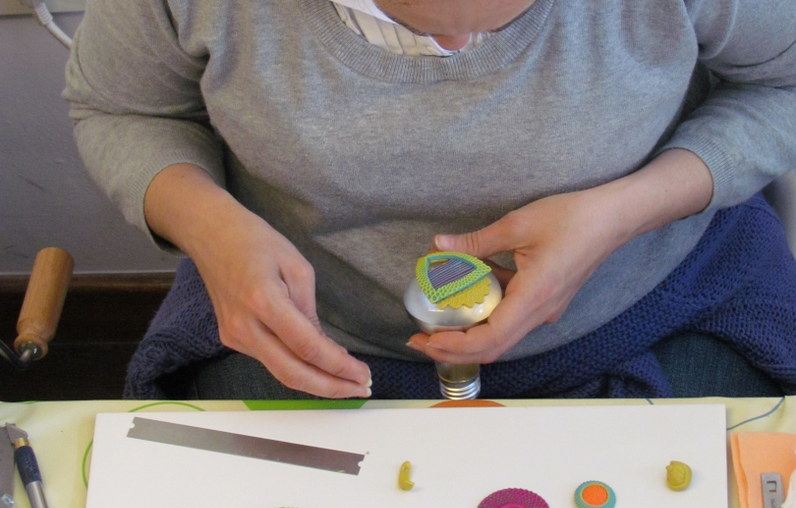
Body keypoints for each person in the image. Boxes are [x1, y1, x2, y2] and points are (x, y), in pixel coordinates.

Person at [64, 0, 796, 401]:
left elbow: (782, 83)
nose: (462, 53)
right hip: (313, 335)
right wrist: (207, 226)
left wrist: (629, 210)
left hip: (654, 309)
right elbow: (122, 108)